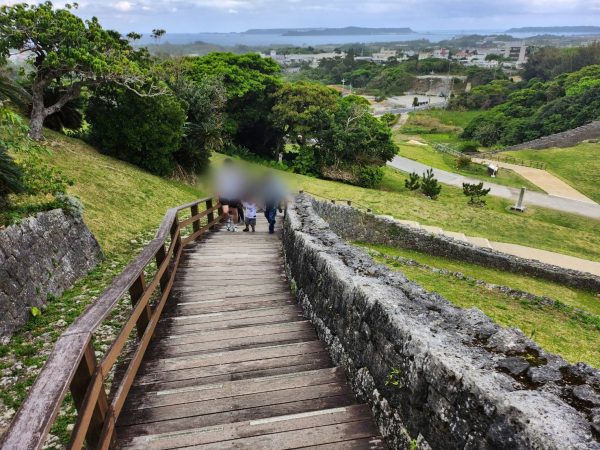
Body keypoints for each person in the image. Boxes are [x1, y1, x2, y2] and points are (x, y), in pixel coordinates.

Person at [216, 159, 245, 232]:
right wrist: (218, 195)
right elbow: (218, 184)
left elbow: (239, 185)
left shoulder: (236, 173)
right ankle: (228, 221)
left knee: (234, 211)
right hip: (224, 194)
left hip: (234, 195)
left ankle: (234, 226)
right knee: (225, 211)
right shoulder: (221, 173)